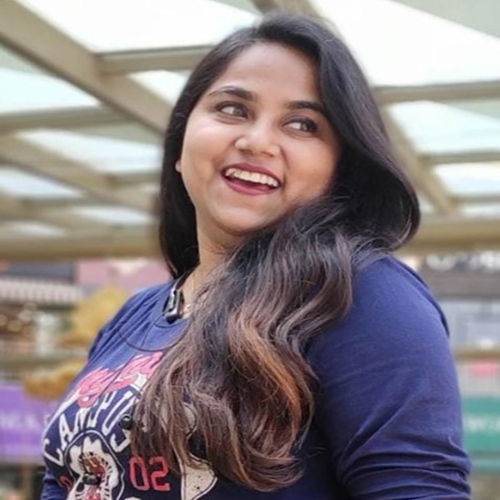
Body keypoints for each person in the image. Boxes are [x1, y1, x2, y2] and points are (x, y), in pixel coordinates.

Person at [41, 13, 471, 500]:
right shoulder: (134, 316)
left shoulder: (360, 294)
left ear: (339, 169)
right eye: (232, 109)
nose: (258, 141)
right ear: (180, 144)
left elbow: (416, 488)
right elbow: (65, 480)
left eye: (302, 124)